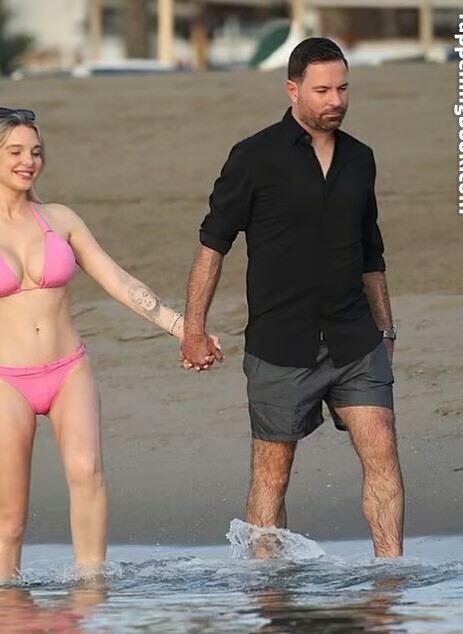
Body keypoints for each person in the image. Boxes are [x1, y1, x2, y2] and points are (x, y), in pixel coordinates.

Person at [0, 107, 212, 583]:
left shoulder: (60, 219)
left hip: (68, 371)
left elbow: (119, 281)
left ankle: (90, 592)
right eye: (16, 152)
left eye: (36, 152)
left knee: (88, 476)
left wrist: (184, 329)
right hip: (5, 381)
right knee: (9, 515)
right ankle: (3, 605)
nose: (29, 161)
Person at [181, 38, 404, 557]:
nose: (336, 100)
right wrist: (193, 330)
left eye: (343, 88)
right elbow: (213, 245)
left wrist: (386, 330)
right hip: (280, 343)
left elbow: (371, 254)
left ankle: (390, 578)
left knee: (382, 450)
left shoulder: (360, 159)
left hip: (355, 338)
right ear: (292, 89)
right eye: (322, 90)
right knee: (273, 473)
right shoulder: (253, 157)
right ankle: (267, 587)